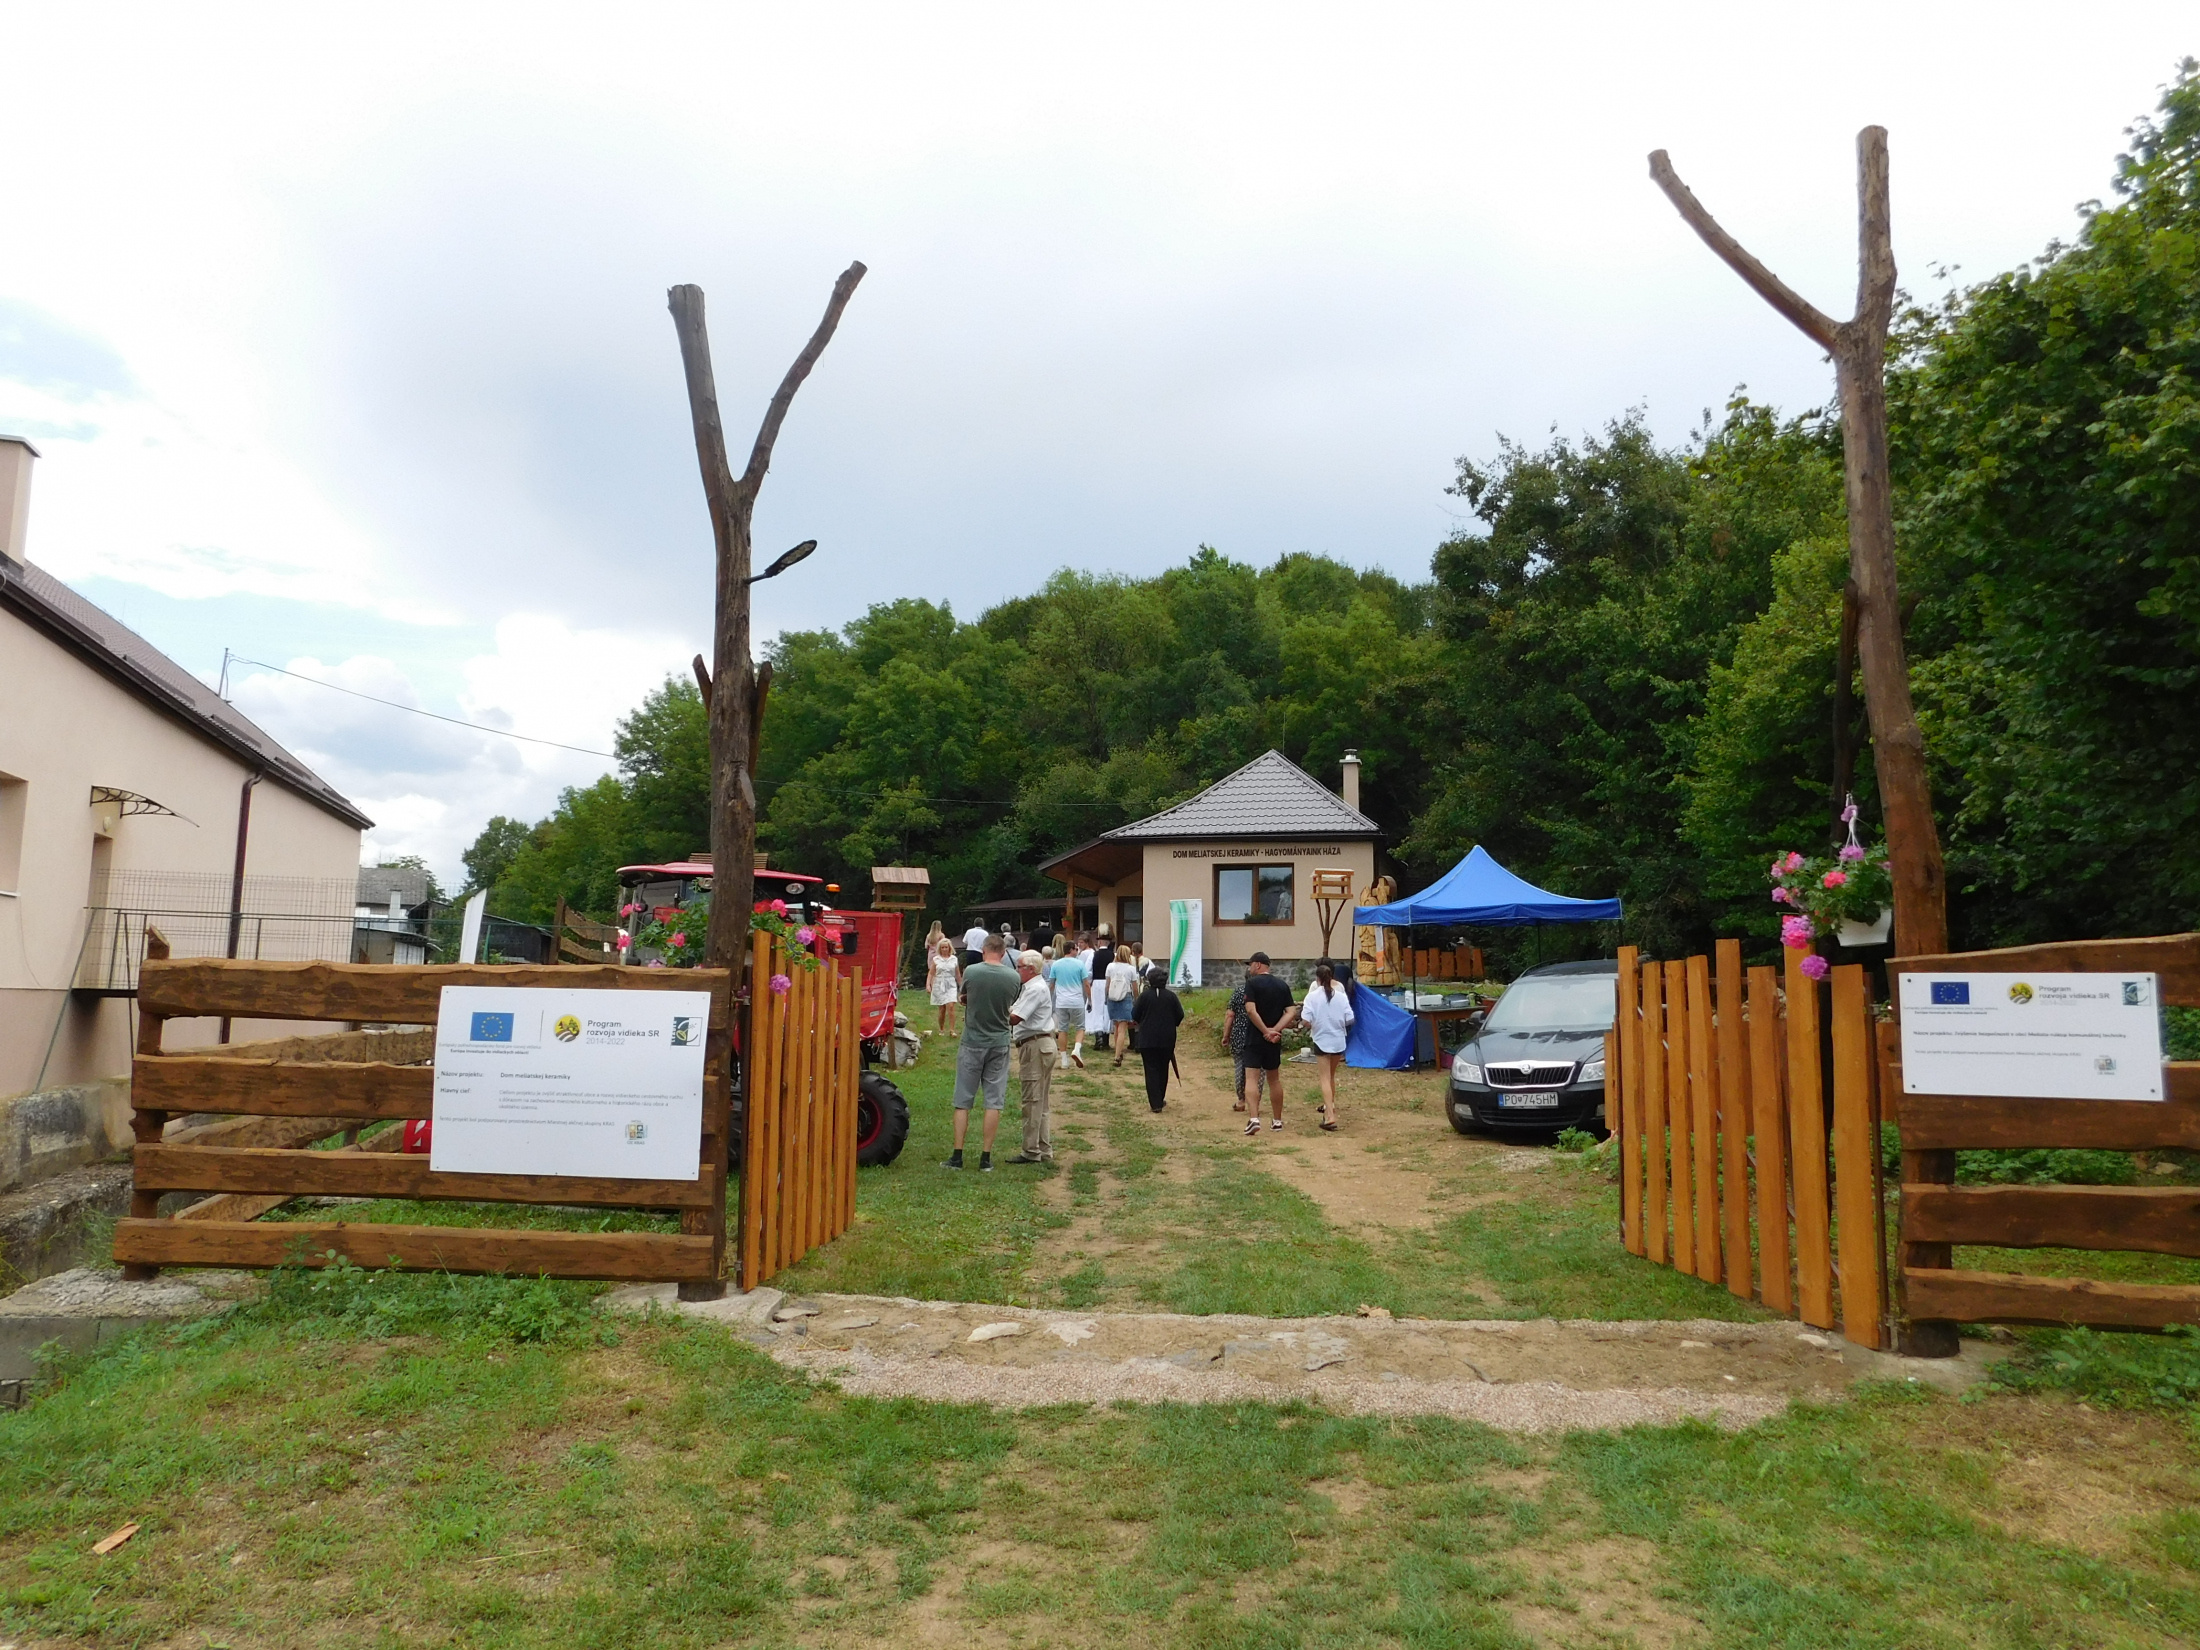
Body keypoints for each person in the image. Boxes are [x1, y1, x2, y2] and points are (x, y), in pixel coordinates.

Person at [947, 934, 1020, 1171]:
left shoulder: (972, 971)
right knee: (993, 1101)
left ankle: (957, 1155)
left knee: (963, 1100)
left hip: (972, 1040)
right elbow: (1010, 1002)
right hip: (999, 1041)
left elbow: (965, 995)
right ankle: (985, 1158)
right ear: (1003, 952)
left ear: (984, 950)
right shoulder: (1013, 977)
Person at [1239, 951, 1298, 1136]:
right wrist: (1275, 1030)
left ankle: (1254, 1118)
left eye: (1250, 965)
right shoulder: (1282, 985)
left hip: (1254, 1038)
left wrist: (1265, 1030)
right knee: (1274, 1079)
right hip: (1274, 1040)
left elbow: (1251, 1010)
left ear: (1257, 965)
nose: (1249, 968)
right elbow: (1291, 1011)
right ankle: (1277, 1120)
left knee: (1251, 1078)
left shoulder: (1251, 984)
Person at [1008, 948, 1058, 1163]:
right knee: (1041, 1102)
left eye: (1019, 967)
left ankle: (1031, 1150)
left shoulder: (1035, 989)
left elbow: (1015, 1017)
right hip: (1040, 1044)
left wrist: (990, 1011)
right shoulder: (1032, 987)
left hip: (1035, 1045)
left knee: (1032, 1100)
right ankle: (1043, 1148)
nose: (1017, 970)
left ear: (1030, 968)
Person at [1299, 962, 1355, 1130]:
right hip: (1338, 1040)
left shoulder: (1312, 997)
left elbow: (1305, 1020)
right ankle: (1329, 1106)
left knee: (1324, 1078)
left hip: (1321, 1039)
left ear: (1317, 979)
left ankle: (1330, 1114)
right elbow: (1350, 1018)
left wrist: (1314, 1024)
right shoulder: (1341, 996)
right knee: (1331, 1076)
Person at [1130, 964, 1184, 1112]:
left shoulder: (1144, 996)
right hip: (1167, 1038)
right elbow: (1180, 1015)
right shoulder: (1171, 997)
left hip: (1147, 1039)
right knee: (1163, 1068)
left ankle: (1155, 1103)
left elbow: (1134, 1014)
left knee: (1151, 1069)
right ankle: (1160, 1098)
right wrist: (1172, 1023)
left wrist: (1143, 1022)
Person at [1047, 941, 1090, 1068]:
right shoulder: (1080, 964)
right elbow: (1086, 984)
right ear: (1071, 950)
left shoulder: (1056, 964)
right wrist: (1090, 999)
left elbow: (1051, 984)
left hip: (1061, 1001)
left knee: (1062, 1030)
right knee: (1080, 1027)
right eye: (1076, 949)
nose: (1077, 951)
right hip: (1076, 1000)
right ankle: (1077, 1049)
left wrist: (1048, 998)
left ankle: (1064, 1060)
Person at [1104, 945, 1141, 1067]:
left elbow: (1107, 985)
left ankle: (1118, 1052)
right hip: (1125, 997)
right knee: (1122, 1029)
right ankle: (1117, 1056)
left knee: (1116, 1026)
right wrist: (1136, 999)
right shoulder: (1130, 969)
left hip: (1112, 998)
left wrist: (1106, 997)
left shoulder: (1110, 966)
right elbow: (1134, 988)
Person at [1221, 976, 1251, 1110]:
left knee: (1240, 1067)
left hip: (1239, 1035)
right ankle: (1255, 1101)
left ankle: (1241, 1100)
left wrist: (1226, 1035)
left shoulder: (1239, 992)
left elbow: (1230, 1015)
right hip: (1259, 1034)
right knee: (1258, 1071)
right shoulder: (1265, 992)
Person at [926, 936, 961, 1036]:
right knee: (942, 1009)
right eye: (942, 947)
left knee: (951, 1006)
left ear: (949, 948)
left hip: (951, 984)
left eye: (946, 947)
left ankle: (952, 1030)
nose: (944, 949)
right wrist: (928, 985)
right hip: (939, 984)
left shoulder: (954, 959)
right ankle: (941, 1029)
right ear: (940, 948)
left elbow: (958, 975)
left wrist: (962, 987)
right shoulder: (936, 959)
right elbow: (931, 973)